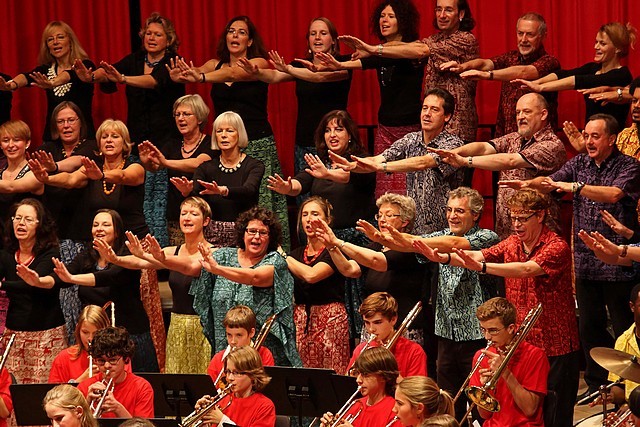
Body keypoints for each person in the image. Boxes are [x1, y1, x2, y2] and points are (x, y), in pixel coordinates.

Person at [501, 113, 640, 397]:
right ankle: (596, 386)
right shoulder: (579, 163)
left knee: (625, 329)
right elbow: (553, 181)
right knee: (589, 327)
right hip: (586, 265)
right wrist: (530, 185)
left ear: (612, 139)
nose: (587, 141)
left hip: (620, 265)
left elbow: (614, 194)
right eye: (585, 135)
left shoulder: (630, 166)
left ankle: (627, 389)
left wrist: (575, 187)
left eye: (595, 136)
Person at [418, 189, 579, 426]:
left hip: (554, 345)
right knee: (517, 409)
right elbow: (479, 255)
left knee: (555, 415)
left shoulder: (557, 246)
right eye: (513, 218)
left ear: (541, 215)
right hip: (519, 343)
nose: (516, 224)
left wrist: (481, 268)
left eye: (523, 218)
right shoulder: (513, 241)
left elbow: (524, 269)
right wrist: (444, 258)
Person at [370, 187, 499, 419]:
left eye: (459, 210)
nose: (452, 216)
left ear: (476, 215)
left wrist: (404, 238)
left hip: (477, 335)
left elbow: (452, 243)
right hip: (445, 333)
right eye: (449, 210)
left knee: (477, 404)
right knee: (449, 402)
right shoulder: (438, 235)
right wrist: (383, 238)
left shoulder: (487, 236)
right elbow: (409, 245)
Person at [170, 15, 290, 247]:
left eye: (241, 32)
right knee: (227, 199)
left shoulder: (259, 63)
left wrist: (202, 78)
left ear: (250, 41)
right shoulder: (213, 65)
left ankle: (271, 254)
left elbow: (235, 74)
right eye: (231, 31)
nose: (235, 36)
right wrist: (181, 76)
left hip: (257, 142)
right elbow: (195, 71)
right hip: (225, 145)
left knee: (262, 201)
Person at [74, 13, 185, 247]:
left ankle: (161, 252)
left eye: (158, 34)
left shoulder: (173, 62)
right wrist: (92, 77)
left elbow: (153, 81)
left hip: (165, 141)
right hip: (136, 140)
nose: (151, 38)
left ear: (169, 39)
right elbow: (110, 71)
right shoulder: (135, 59)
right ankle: (136, 249)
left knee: (160, 200)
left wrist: (123, 78)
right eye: (148, 33)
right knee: (139, 202)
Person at [268, 110, 376, 339]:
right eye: (327, 130)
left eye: (338, 129)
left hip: (352, 244)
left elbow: (349, 176)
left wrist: (328, 173)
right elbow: (300, 183)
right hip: (323, 244)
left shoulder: (361, 162)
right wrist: (287, 188)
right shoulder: (320, 163)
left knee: (355, 307)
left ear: (350, 134)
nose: (332, 134)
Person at [301, 1, 424, 197]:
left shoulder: (412, 48)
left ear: (403, 20)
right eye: (382, 16)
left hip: (411, 127)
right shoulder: (377, 52)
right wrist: (328, 66)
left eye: (391, 16)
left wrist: (373, 49)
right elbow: (354, 64)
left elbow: (418, 51)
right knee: (385, 190)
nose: (384, 20)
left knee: (411, 189)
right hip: (385, 128)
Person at [153, 206, 301, 367]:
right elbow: (191, 267)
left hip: (262, 350)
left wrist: (218, 270)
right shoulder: (223, 255)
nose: (256, 237)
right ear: (242, 233)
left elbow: (255, 276)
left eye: (263, 232)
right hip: (225, 345)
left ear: (270, 237)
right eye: (251, 231)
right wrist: (162, 259)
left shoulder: (275, 260)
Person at [18, 209, 158, 372]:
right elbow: (60, 278)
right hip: (97, 339)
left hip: (129, 336)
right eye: (95, 225)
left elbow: (107, 277)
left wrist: (72, 278)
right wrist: (39, 281)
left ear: (117, 231)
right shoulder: (86, 256)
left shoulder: (126, 258)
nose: (99, 228)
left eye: (105, 224)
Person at [94, 197, 213, 374]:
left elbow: (189, 266)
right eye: (183, 213)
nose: (187, 218)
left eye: (193, 214)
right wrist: (116, 259)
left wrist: (159, 259)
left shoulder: (213, 252)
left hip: (202, 327)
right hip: (177, 325)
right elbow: (139, 262)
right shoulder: (173, 250)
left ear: (206, 221)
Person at [336, 0, 478, 145]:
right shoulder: (435, 39)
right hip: (434, 125)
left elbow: (419, 50)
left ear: (460, 14)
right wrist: (370, 51)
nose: (441, 15)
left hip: (456, 125)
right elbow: (411, 46)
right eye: (438, 9)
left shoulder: (465, 39)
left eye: (448, 10)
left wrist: (372, 50)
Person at [427, 93, 566, 238]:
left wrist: (465, 161)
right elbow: (484, 148)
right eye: (518, 112)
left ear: (543, 114)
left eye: (527, 112)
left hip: (538, 233)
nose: (520, 117)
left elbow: (510, 161)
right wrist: (452, 153)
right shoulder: (515, 138)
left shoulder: (551, 145)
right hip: (506, 231)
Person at [330, 88, 464, 235]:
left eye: (434, 109)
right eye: (425, 108)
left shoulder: (452, 144)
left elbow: (423, 162)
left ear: (447, 116)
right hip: (415, 230)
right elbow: (379, 159)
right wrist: (353, 166)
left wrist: (381, 166)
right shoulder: (411, 139)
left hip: (447, 228)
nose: (427, 114)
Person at [237, 17, 352, 177]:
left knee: (332, 193)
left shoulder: (344, 63)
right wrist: (257, 72)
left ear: (333, 40)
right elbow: (275, 76)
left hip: (334, 142)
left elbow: (319, 77)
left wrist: (289, 69)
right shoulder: (300, 65)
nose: (317, 37)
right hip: (305, 141)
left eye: (323, 33)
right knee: (304, 195)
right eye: (313, 34)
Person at [313, 193, 428, 344]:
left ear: (405, 221)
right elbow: (350, 270)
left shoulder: (410, 248)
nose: (382, 219)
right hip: (374, 326)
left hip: (402, 328)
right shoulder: (376, 246)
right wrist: (331, 246)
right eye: (379, 215)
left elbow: (376, 261)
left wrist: (338, 242)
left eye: (389, 215)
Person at [35, 101, 100, 343]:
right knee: (59, 298)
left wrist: (52, 169)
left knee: (78, 297)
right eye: (61, 121)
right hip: (53, 237)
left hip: (82, 236)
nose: (66, 125)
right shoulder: (46, 148)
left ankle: (82, 345)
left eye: (71, 120)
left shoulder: (91, 147)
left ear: (81, 122)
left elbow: (75, 175)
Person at [442, 12, 560, 137]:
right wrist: (462, 66)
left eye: (530, 34)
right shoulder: (510, 57)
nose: (524, 39)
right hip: (506, 137)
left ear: (542, 36)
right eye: (520, 34)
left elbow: (524, 72)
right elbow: (484, 63)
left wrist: (487, 75)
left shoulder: (550, 62)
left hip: (537, 139)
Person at [285, 196, 360, 373]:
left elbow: (312, 275)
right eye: (305, 214)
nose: (309, 219)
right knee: (304, 374)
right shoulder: (295, 254)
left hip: (330, 319)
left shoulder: (333, 252)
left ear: (328, 220)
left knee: (333, 373)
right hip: (302, 320)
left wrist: (282, 256)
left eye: (315, 214)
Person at [514, 22, 635, 130]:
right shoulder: (593, 68)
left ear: (617, 49)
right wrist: (537, 82)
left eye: (602, 43)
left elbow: (579, 81)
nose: (596, 47)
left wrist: (540, 88)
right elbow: (563, 74)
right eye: (596, 42)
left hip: (612, 140)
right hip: (592, 135)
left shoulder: (622, 75)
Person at [171, 111, 264, 247]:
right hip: (210, 236)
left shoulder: (254, 165)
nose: (224, 135)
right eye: (219, 131)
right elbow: (197, 195)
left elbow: (249, 190)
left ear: (240, 134)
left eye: (229, 131)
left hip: (244, 234)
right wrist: (187, 192)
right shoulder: (205, 168)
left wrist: (223, 191)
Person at [1, 198, 66, 384]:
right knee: (13, 394)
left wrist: (2, 285)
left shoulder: (50, 253)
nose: (21, 223)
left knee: (44, 395)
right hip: (14, 333)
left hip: (47, 334)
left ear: (40, 225)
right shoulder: (6, 254)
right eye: (17, 218)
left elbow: (31, 283)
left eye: (28, 219)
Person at [138, 94, 213, 246]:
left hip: (203, 218)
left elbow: (199, 163)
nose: (180, 118)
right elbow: (155, 167)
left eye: (186, 114)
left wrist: (165, 162)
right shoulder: (171, 145)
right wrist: (147, 163)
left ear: (199, 118)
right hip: (175, 217)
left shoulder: (210, 142)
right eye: (177, 115)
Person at [0, 21, 95, 141]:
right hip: (53, 137)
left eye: (60, 37)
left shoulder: (84, 66)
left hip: (83, 136)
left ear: (70, 42)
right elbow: (27, 76)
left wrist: (52, 83)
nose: (55, 42)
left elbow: (70, 75)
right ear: (47, 46)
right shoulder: (46, 69)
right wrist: (11, 84)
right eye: (50, 39)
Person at [468, 298, 548, 427]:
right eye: (483, 330)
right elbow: (484, 415)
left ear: (511, 328)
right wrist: (486, 389)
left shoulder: (535, 355)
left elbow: (530, 410)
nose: (487, 337)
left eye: (493, 330)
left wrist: (505, 372)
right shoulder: (481, 356)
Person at [78, 327, 154, 418]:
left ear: (125, 358)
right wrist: (87, 404)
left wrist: (117, 408)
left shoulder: (142, 388)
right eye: (101, 360)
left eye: (113, 360)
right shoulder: (84, 387)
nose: (106, 365)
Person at [347, 292, 426, 378]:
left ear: (393, 319)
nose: (371, 329)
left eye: (377, 322)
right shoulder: (360, 350)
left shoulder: (414, 352)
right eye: (367, 323)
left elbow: (417, 390)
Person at [195, 346, 276, 427]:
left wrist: (223, 421)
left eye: (236, 373)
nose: (230, 378)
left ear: (253, 374)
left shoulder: (265, 406)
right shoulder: (222, 401)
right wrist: (202, 419)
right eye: (228, 372)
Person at [320, 347, 401, 427]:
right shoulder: (357, 405)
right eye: (358, 373)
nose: (358, 380)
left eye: (365, 374)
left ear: (384, 376)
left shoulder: (394, 410)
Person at [207, 305, 275, 384]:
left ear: (251, 332)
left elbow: (267, 388)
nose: (233, 341)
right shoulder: (218, 359)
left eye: (239, 335)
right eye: (229, 335)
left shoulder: (264, 354)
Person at [49, 304, 111, 383]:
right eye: (85, 332)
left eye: (96, 333)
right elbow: (54, 393)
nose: (90, 338)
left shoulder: (117, 357)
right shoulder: (63, 358)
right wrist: (80, 381)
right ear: (78, 329)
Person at [0, 120, 45, 221]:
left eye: (16, 140)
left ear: (27, 143)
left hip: (27, 233)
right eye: (6, 140)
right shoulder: (0, 173)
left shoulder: (36, 172)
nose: (11, 145)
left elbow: (10, 187)